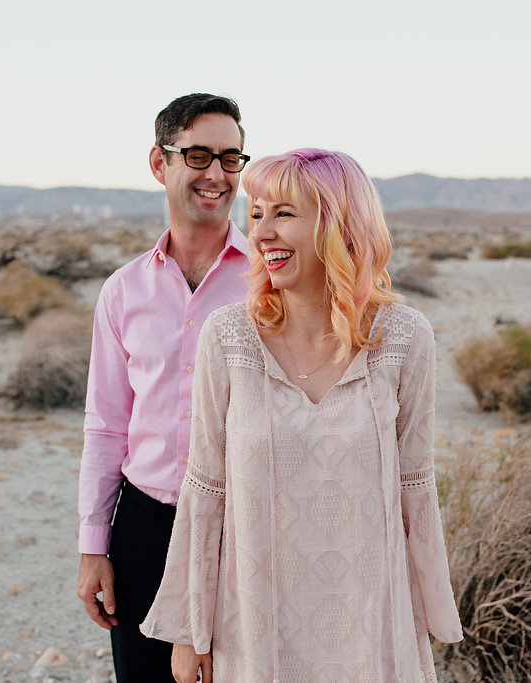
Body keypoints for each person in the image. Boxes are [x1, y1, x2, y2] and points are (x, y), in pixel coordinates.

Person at [140, 149, 463, 682]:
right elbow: (205, 492)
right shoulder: (228, 337)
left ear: (338, 224)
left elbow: (414, 488)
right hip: (255, 630)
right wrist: (189, 629)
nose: (262, 232)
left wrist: (424, 616)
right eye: (257, 213)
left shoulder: (404, 339)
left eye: (283, 213)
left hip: (370, 627)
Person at [76, 93, 251, 682]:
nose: (216, 175)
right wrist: (94, 545)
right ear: (160, 163)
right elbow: (105, 426)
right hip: (145, 528)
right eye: (198, 155)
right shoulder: (122, 291)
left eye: (231, 159)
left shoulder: (272, 284)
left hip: (247, 528)